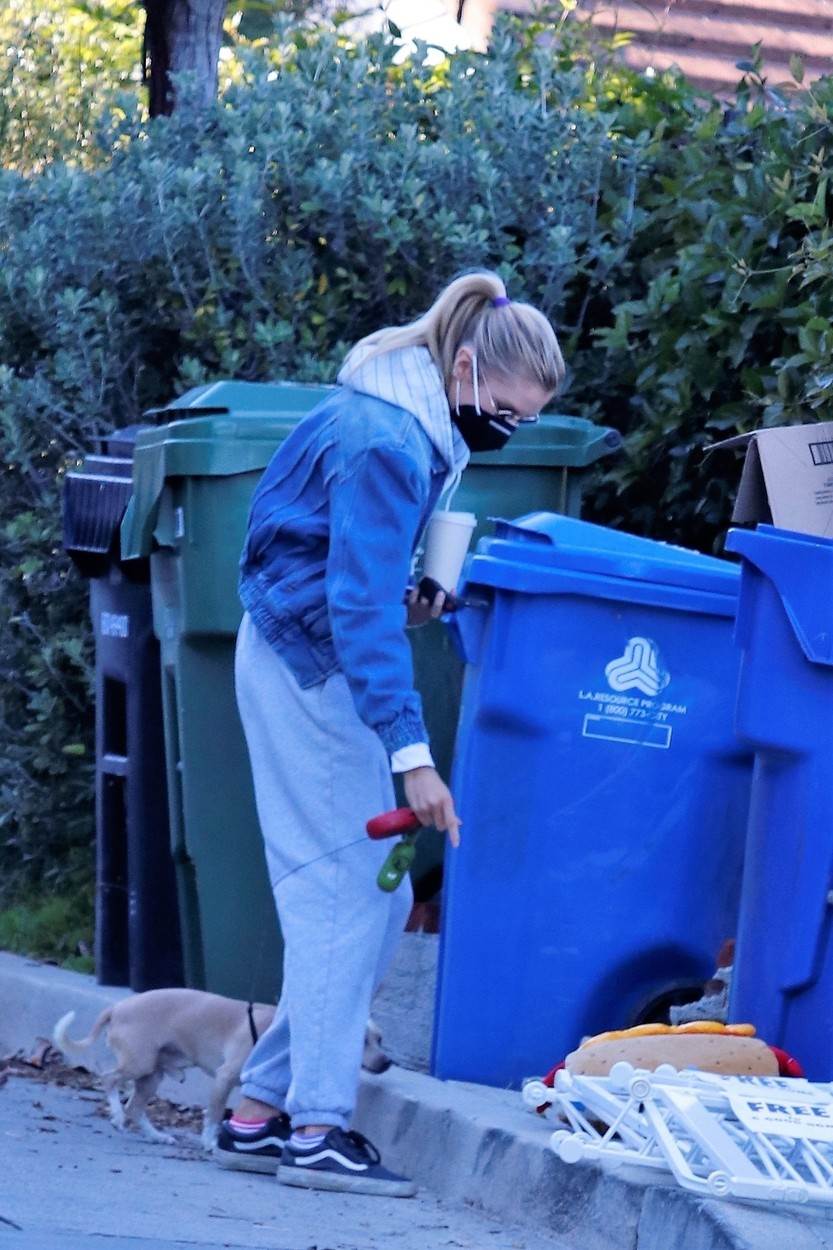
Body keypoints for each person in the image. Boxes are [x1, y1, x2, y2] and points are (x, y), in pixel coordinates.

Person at [215, 271, 565, 1196]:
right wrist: (413, 756)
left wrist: (404, 601)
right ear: (463, 366)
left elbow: (326, 566)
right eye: (509, 414)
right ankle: (318, 1127)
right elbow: (353, 607)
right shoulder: (387, 441)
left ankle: (261, 1109)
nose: (508, 432)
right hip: (312, 668)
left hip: (300, 650)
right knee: (342, 897)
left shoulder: (397, 415)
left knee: (358, 898)